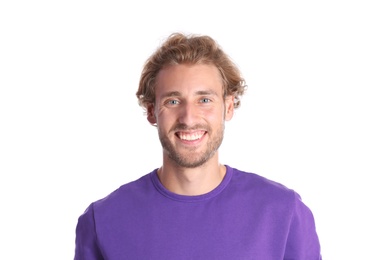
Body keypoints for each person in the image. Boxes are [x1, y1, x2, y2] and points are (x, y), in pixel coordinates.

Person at [74, 32, 322, 260]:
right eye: (173, 101)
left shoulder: (283, 213)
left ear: (228, 106)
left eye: (204, 99)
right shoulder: (103, 221)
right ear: (151, 112)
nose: (189, 117)